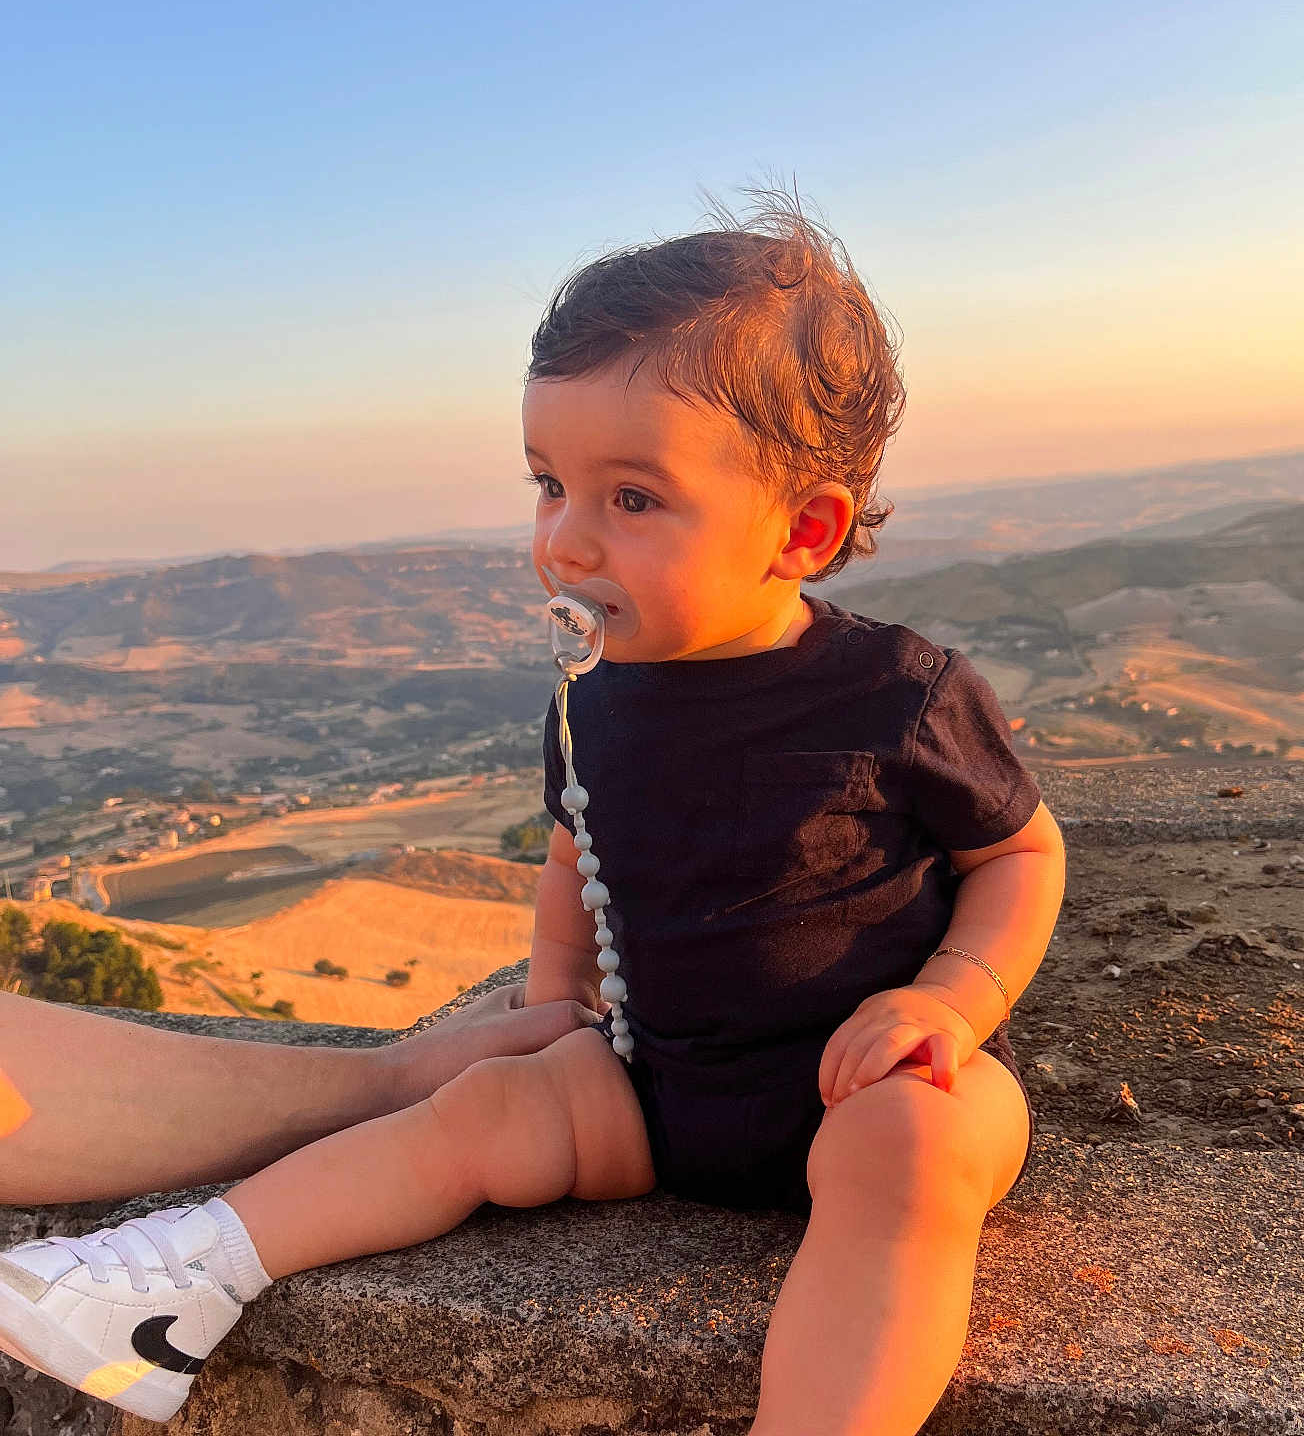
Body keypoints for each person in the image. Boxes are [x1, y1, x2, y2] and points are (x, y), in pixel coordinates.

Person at [0, 188, 1066, 1435]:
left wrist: (949, 1004)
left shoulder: (893, 691)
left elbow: (1020, 854)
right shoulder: (591, 700)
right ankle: (178, 1277)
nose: (565, 541)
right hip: (661, 1093)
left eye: (632, 499)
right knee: (478, 1113)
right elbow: (578, 853)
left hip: (864, 1083)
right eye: (549, 484)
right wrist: (554, 999)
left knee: (915, 1163)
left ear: (804, 528)